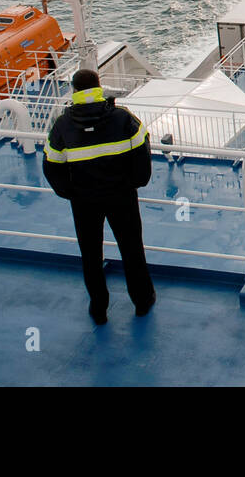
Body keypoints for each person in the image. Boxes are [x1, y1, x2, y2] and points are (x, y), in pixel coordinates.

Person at [43, 68, 155, 325]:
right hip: (122, 196)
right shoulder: (121, 118)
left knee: (91, 254)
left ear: (74, 91)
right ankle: (142, 300)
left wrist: (68, 192)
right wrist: (136, 182)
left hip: (83, 201)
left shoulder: (62, 126)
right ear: (98, 87)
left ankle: (99, 308)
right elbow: (142, 148)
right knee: (132, 249)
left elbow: (51, 163)